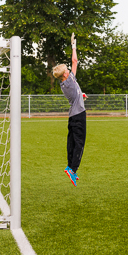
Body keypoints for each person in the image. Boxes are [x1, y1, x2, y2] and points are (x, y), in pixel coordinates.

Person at [51, 33, 84, 187]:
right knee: (79, 143)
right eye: (67, 70)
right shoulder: (69, 80)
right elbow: (75, 61)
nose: (69, 70)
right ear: (65, 74)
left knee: (71, 141)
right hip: (78, 116)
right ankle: (73, 169)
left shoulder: (65, 83)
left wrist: (81, 94)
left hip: (72, 116)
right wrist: (74, 46)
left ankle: (69, 166)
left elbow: (75, 90)